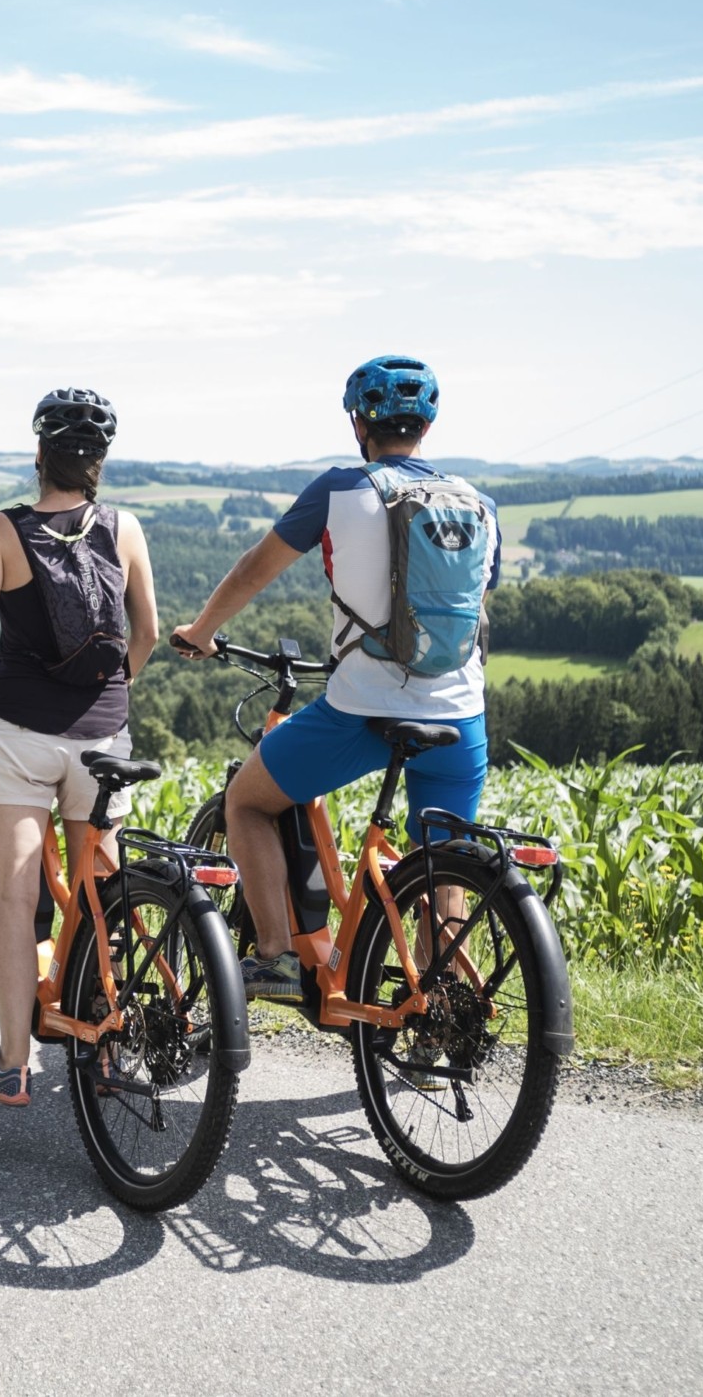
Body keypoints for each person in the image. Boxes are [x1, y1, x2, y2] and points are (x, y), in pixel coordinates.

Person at [170, 355, 499, 1000]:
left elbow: (255, 570)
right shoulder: (479, 505)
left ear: (359, 425)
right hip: (461, 715)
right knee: (442, 861)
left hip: (364, 710)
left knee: (247, 801)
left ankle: (274, 959)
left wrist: (203, 630)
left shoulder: (340, 489)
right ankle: (439, 1008)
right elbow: (472, 609)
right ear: (427, 427)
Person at [0, 388, 159, 1107]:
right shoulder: (125, 527)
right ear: (99, 462)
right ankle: (107, 1042)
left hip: (20, 738)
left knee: (15, 901)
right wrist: (106, 697)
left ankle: (12, 1063)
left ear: (40, 455)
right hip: (102, 740)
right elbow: (146, 635)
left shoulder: (2, 528)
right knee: (101, 896)